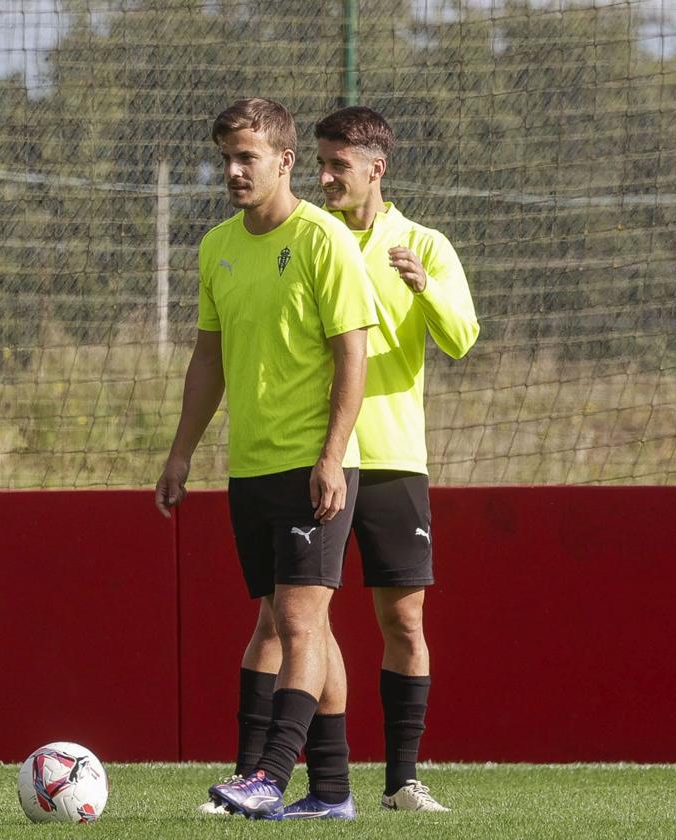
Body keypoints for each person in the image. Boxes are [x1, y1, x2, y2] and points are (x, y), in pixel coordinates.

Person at [201, 105, 480, 819]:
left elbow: (461, 338)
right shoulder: (303, 237)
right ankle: (269, 779)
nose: (326, 178)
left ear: (376, 170)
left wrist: (426, 287)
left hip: (389, 458)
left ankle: (400, 780)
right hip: (314, 454)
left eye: (339, 167)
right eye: (319, 164)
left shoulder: (421, 243)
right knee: (291, 621)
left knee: (402, 623)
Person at [154, 97, 376, 820]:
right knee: (287, 626)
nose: (231, 170)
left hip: (314, 466)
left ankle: (270, 777)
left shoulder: (323, 241)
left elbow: (353, 356)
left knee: (302, 622)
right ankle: (333, 792)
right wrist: (182, 453)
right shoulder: (216, 245)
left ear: (284, 161)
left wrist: (333, 457)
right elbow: (207, 359)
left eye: (246, 157)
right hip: (248, 469)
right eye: (225, 157)